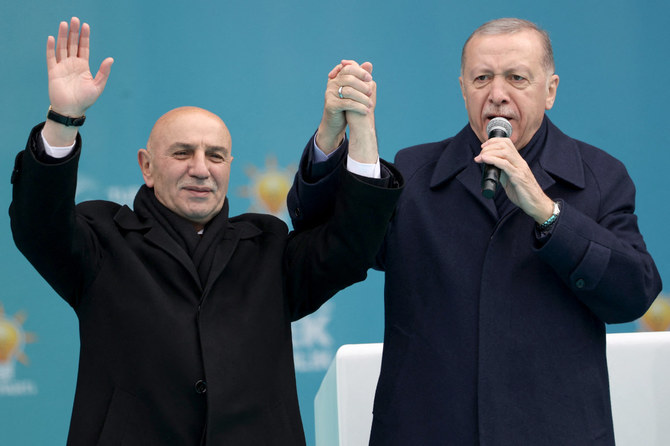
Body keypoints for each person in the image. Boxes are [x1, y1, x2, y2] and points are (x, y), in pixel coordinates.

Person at [9, 17, 402, 445]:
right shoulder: (102, 241)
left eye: (215, 156)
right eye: (182, 153)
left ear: (230, 167)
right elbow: (38, 226)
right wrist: (64, 118)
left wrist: (358, 129)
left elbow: (351, 246)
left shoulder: (267, 246)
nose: (200, 169)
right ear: (147, 166)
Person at [289, 18, 663, 445]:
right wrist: (333, 134)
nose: (497, 94)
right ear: (463, 88)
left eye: (517, 78)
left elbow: (634, 292)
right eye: (482, 78)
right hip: (426, 429)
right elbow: (330, 242)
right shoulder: (414, 173)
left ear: (551, 90)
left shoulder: (598, 176)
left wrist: (547, 212)